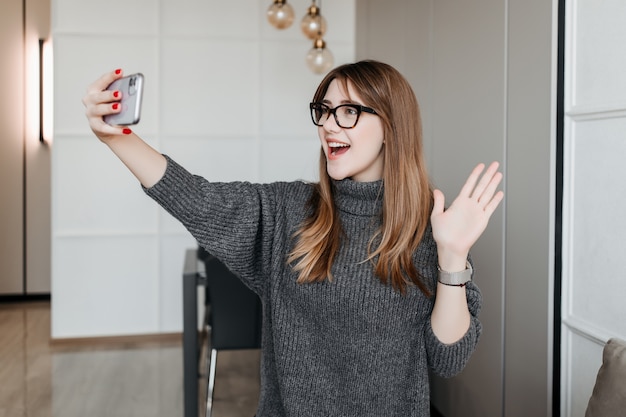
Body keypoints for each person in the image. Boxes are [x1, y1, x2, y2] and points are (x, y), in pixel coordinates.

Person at [83, 60, 503, 417]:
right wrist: (117, 136)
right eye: (324, 110)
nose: (328, 126)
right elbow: (198, 200)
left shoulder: (429, 228)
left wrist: (452, 256)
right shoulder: (288, 210)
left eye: (348, 112)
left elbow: (449, 359)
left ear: (392, 127)